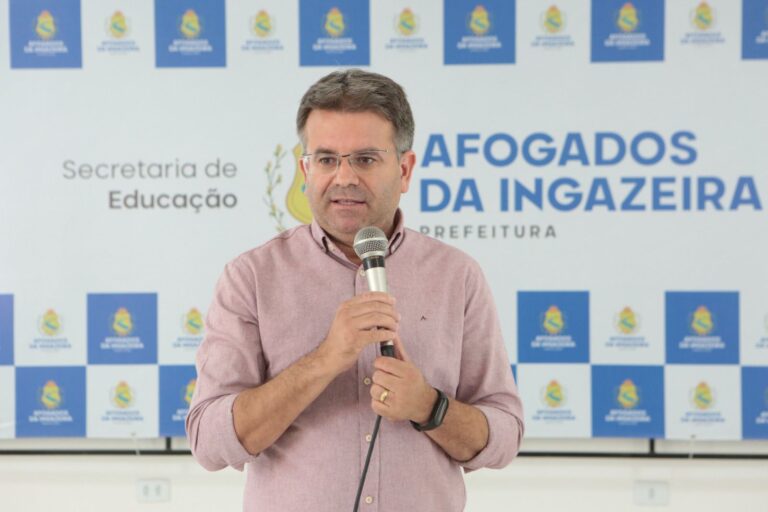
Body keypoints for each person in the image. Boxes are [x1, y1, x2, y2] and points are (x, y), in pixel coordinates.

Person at [186, 69, 524, 511]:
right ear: (305, 170)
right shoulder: (250, 276)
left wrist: (429, 406)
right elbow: (209, 443)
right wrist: (325, 360)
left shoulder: (457, 275)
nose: (343, 177)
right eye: (327, 159)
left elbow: (504, 436)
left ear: (404, 169)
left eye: (364, 159)